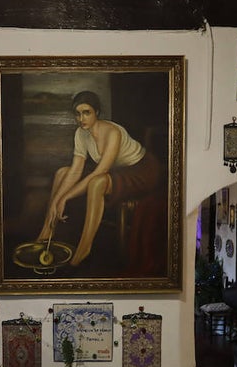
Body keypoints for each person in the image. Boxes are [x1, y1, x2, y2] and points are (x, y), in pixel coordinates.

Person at [37, 90, 161, 266]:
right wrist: (56, 201)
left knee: (97, 183)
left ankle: (84, 248)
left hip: (141, 170)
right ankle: (46, 231)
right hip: (117, 171)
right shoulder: (81, 133)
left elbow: (99, 172)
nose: (82, 118)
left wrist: (66, 197)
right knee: (62, 172)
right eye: (78, 114)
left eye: (87, 113)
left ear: (97, 113)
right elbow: (75, 170)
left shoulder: (113, 132)